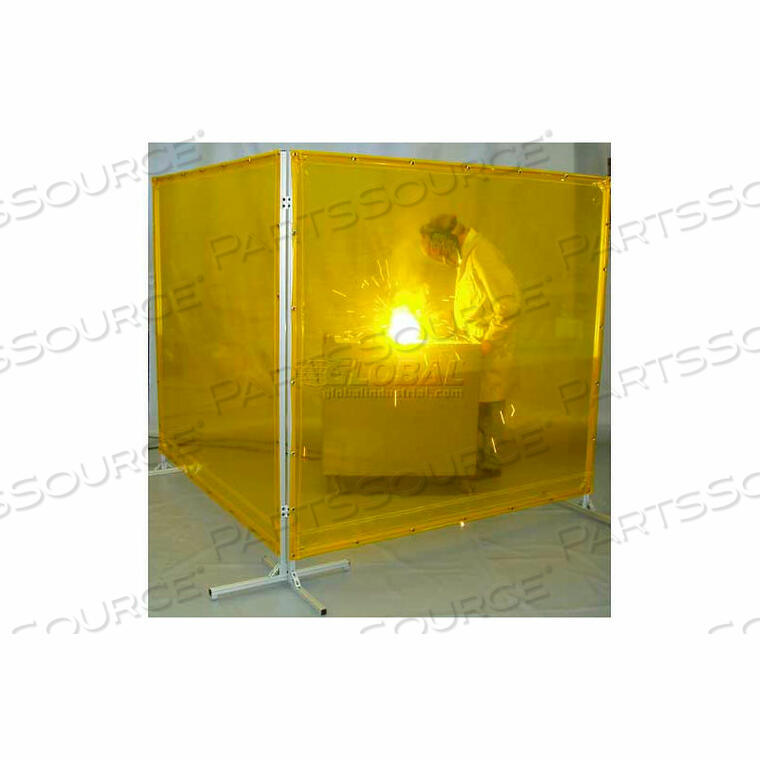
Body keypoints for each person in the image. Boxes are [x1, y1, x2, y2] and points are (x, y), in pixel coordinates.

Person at [419, 214, 520, 476]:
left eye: (436, 251)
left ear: (443, 241)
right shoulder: (468, 255)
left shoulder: (482, 254)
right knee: (477, 413)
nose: (441, 258)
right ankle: (477, 463)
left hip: (490, 352)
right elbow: (477, 302)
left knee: (488, 412)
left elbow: (509, 305)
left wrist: (488, 343)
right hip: (476, 348)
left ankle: (488, 467)